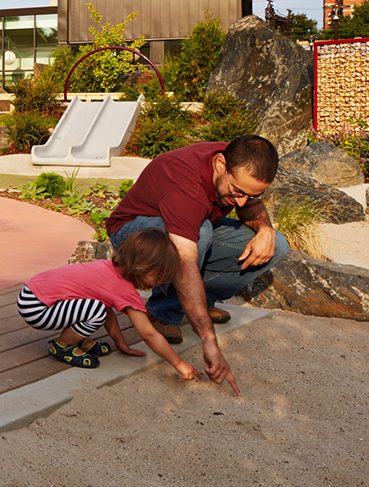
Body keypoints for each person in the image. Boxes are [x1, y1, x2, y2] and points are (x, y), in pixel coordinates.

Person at [106, 134, 290, 396]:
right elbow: (186, 262)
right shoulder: (185, 186)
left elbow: (249, 205)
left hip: (190, 224)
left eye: (251, 195)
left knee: (277, 244)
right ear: (220, 165)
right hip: (133, 231)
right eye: (237, 192)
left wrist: (265, 229)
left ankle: (199, 303)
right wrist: (208, 340)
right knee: (200, 233)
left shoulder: (235, 165)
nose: (240, 202)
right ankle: (162, 313)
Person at [16, 229, 199, 379]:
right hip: (36, 307)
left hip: (32, 294)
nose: (158, 283)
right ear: (144, 267)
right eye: (158, 277)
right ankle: (63, 345)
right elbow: (148, 334)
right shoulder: (124, 290)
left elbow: (107, 309)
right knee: (95, 311)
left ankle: (76, 339)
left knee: (96, 307)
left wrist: (121, 344)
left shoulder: (110, 269)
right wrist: (179, 363)